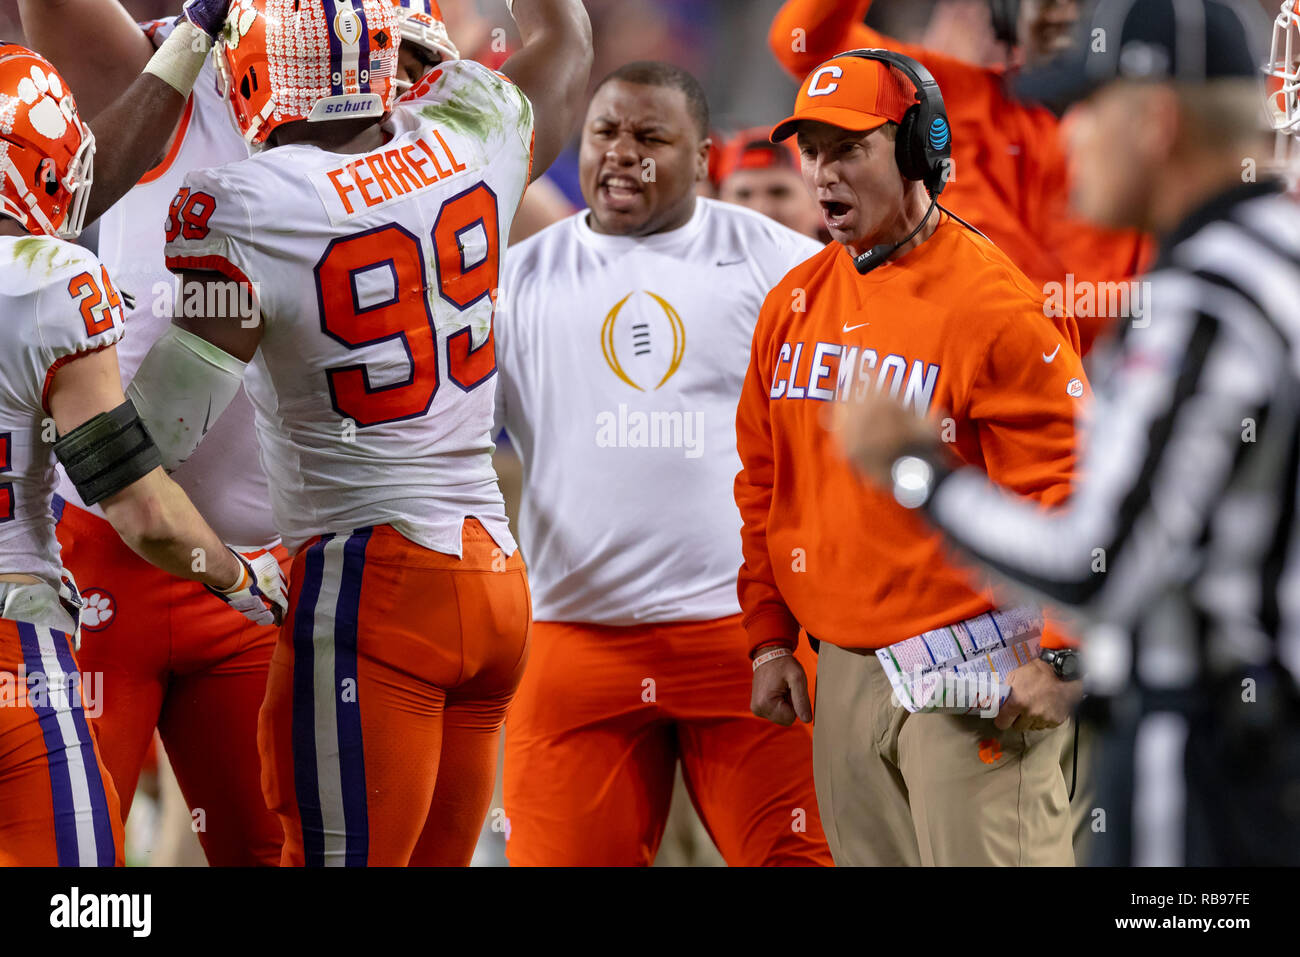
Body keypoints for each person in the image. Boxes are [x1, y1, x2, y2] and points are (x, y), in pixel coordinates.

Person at [125, 0, 592, 867]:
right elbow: (567, 40)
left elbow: (159, 429)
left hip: (369, 586)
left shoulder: (245, 205)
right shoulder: (474, 128)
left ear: (259, 71)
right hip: (492, 575)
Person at [834, 0, 1300, 866]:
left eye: (1085, 110)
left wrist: (915, 471)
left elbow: (1101, 564)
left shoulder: (1209, 301)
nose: (1064, 138)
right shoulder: (1279, 259)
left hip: (1210, 760)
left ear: (1156, 119)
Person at [18, 0, 365, 865]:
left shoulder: (394, 102)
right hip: (110, 552)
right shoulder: (176, 69)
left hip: (263, 557)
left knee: (266, 850)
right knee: (80, 877)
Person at [739, 48, 1090, 865]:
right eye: (812, 150)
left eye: (847, 148)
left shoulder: (993, 302)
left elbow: (1065, 479)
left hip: (976, 677)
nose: (822, 173)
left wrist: (1065, 648)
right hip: (843, 673)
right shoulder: (793, 303)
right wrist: (767, 637)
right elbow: (763, 481)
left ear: (916, 151)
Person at [495, 62, 832, 866]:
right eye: (606, 132)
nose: (623, 153)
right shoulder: (516, 281)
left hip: (751, 640)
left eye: (650, 137)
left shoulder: (786, 268)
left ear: (705, 157)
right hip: (576, 638)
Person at [768, 0, 1149, 353]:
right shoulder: (947, 93)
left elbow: (1104, 319)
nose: (1063, 12)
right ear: (1005, 10)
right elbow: (801, 42)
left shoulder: (1151, 139)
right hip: (936, 383)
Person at [717, 127, 826, 240]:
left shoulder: (843, 256)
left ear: (819, 203)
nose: (760, 210)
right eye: (743, 194)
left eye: (778, 193)